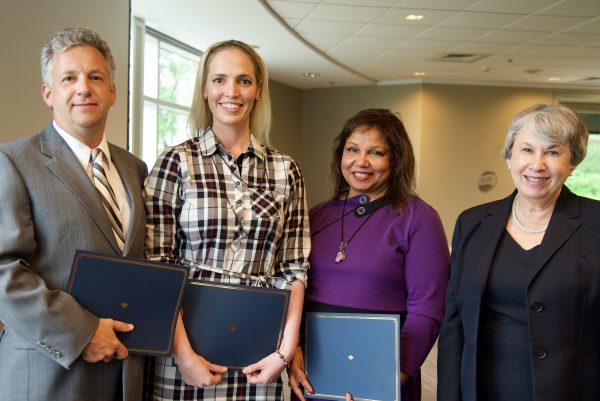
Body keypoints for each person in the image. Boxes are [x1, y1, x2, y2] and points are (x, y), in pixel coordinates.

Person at [144, 39, 310, 401]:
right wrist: (183, 355)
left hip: (261, 354)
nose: (230, 92)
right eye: (219, 80)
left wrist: (285, 351)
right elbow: (158, 266)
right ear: (204, 89)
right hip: (186, 355)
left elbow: (294, 268)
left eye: (243, 81)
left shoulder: (285, 170)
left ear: (258, 90)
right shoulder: (176, 163)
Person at [0, 28, 148, 401]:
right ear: (48, 94)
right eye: (69, 78)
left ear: (113, 91)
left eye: (95, 77)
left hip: (126, 375)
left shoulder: (135, 169)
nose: (84, 88)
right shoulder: (13, 161)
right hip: (50, 378)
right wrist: (81, 333)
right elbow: (4, 271)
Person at [437, 103, 600, 401]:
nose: (537, 164)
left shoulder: (595, 224)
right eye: (526, 150)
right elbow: (454, 326)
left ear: (572, 162)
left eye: (552, 152)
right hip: (485, 389)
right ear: (509, 156)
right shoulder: (472, 223)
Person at [288, 108, 450, 401]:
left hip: (381, 375)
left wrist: (387, 379)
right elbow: (293, 291)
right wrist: (292, 351)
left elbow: (427, 309)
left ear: (395, 159)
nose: (361, 162)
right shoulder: (316, 215)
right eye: (352, 150)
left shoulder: (419, 218)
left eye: (376, 152)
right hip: (314, 373)